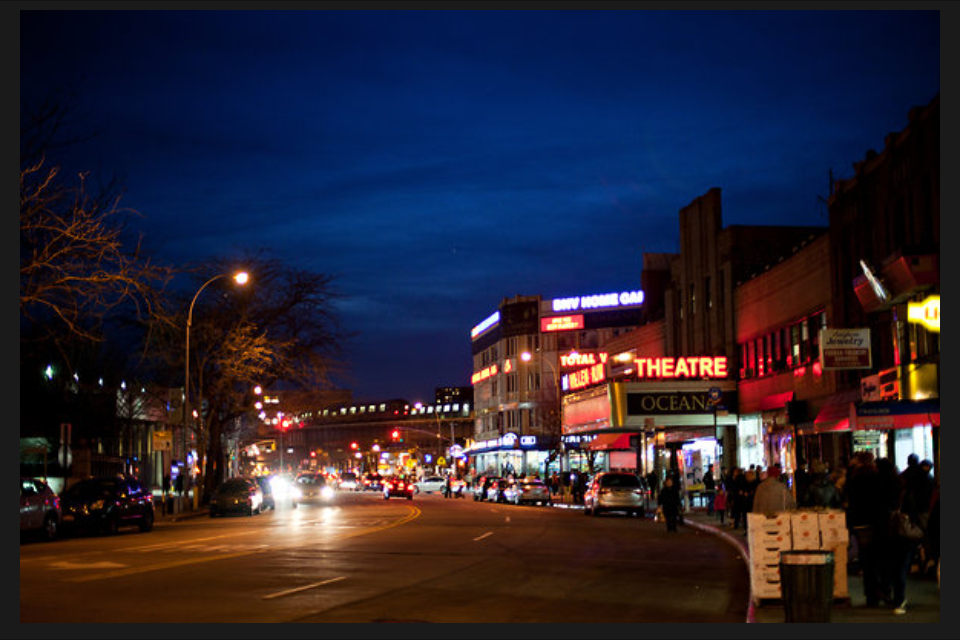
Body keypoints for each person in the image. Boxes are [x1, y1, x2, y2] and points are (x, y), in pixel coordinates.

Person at [844, 451, 890, 608]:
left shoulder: (854, 478)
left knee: (867, 561)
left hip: (860, 524)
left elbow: (849, 500)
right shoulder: (878, 477)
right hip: (876, 522)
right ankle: (883, 590)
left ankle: (871, 595)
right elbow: (883, 500)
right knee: (880, 558)